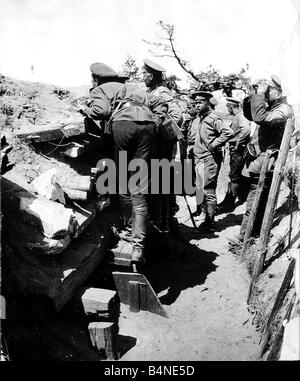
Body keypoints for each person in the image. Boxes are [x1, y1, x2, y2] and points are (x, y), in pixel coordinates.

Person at [79, 62, 167, 271]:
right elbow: (160, 104)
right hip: (148, 126)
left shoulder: (101, 88)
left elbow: (101, 111)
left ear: (96, 79)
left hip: (123, 126)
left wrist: (85, 108)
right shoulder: (136, 88)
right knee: (139, 185)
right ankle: (138, 245)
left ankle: (129, 227)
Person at [236, 75, 294, 240]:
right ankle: (250, 234)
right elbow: (250, 114)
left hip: (268, 163)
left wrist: (260, 94)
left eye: (267, 91)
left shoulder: (284, 109)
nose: (265, 94)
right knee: (256, 199)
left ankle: (245, 236)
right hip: (260, 161)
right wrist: (256, 94)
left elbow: (260, 118)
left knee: (255, 199)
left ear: (276, 91)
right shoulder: (273, 106)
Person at [142, 58, 182, 233]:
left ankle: (163, 221)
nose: (142, 76)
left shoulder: (161, 92)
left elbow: (177, 115)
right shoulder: (151, 90)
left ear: (150, 75)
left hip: (161, 146)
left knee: (161, 184)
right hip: (156, 146)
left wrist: (158, 130)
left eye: (144, 73)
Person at [193, 91, 233, 232]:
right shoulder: (202, 117)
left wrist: (214, 144)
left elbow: (228, 132)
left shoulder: (212, 117)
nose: (197, 104)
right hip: (200, 158)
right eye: (195, 102)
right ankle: (205, 216)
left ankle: (210, 223)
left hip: (208, 158)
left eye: (200, 102)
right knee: (201, 189)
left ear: (208, 102)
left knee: (208, 190)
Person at [217, 97, 251, 213]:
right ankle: (228, 201)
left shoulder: (240, 116)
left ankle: (229, 204)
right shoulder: (238, 116)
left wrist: (238, 142)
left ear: (232, 107)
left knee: (234, 176)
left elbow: (246, 130)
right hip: (235, 150)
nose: (228, 109)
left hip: (238, 151)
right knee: (234, 175)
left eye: (228, 107)